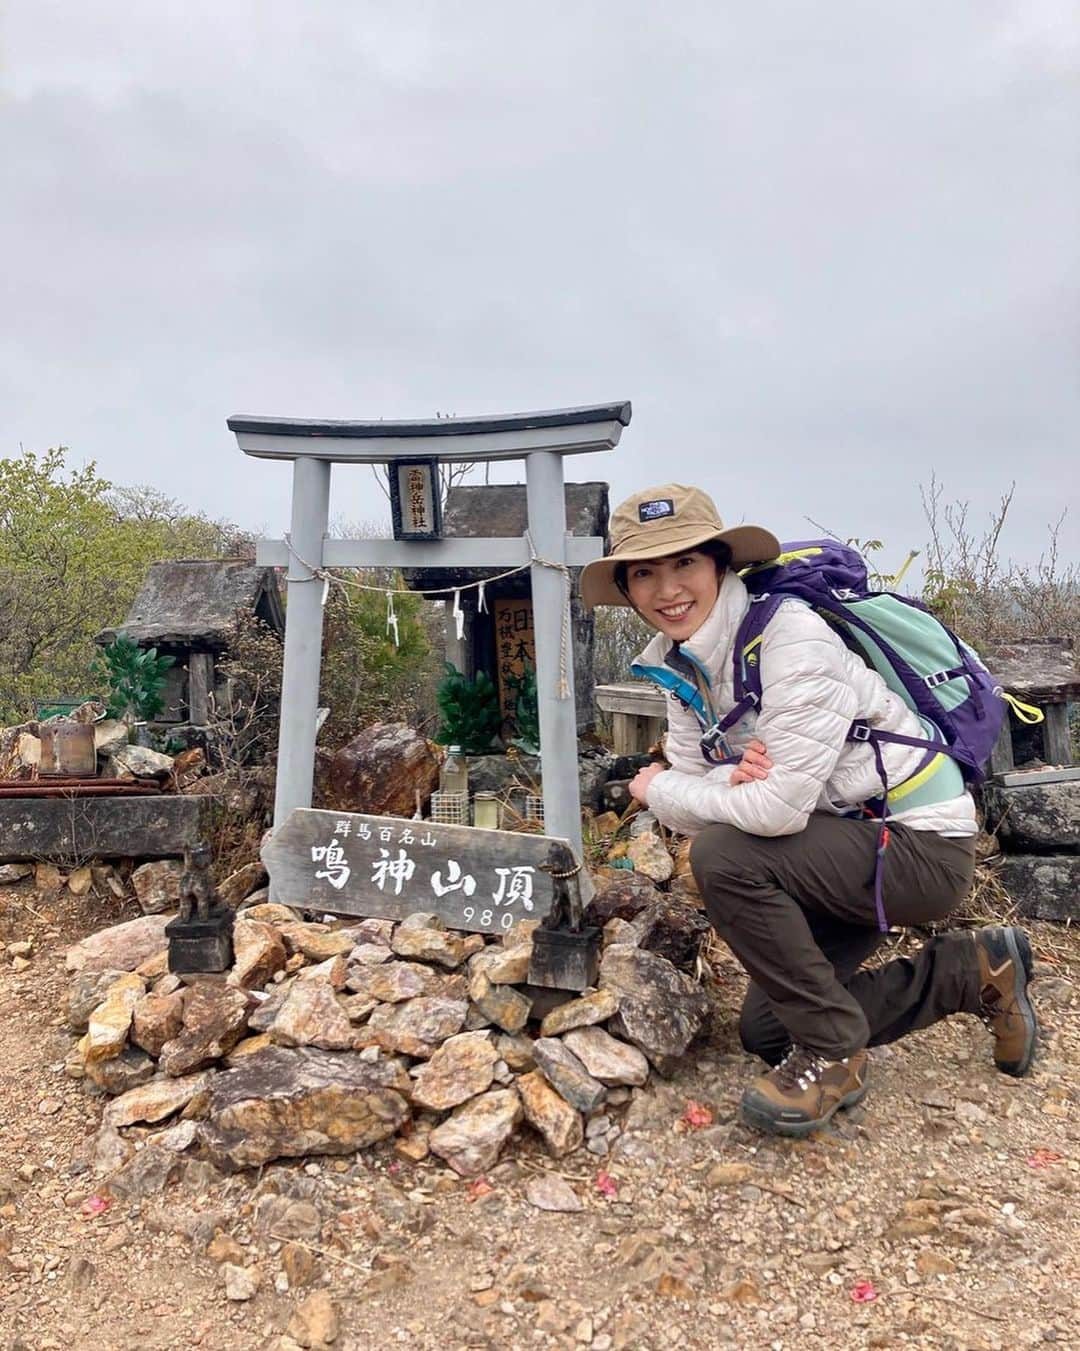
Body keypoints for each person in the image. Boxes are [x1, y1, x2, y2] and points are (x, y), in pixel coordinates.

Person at [580, 484, 1037, 1138]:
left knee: (724, 857)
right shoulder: (679, 667)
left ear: (719, 564)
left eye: (684, 562)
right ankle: (976, 971)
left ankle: (831, 1054)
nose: (667, 588)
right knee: (767, 1028)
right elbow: (702, 790)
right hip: (838, 847)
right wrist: (717, 783)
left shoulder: (790, 637)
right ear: (626, 588)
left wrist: (656, 788)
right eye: (644, 572)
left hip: (916, 844)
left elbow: (767, 812)